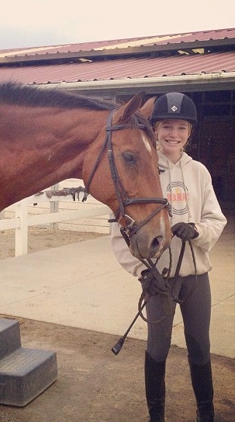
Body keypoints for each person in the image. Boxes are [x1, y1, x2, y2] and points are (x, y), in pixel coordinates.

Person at [110, 92, 227, 422]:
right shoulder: (142, 167)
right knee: (157, 347)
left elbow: (216, 218)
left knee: (200, 346)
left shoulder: (200, 172)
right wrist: (140, 270)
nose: (172, 134)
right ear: (155, 131)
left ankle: (206, 413)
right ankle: (156, 416)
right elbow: (119, 226)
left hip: (195, 276)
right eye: (165, 127)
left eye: (180, 128)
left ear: (190, 132)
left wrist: (199, 231)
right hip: (159, 277)